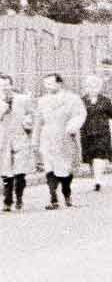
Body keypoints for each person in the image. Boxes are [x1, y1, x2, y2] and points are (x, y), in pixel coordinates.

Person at [35, 73, 86, 209]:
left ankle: (66, 193)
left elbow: (80, 114)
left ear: (59, 83)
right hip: (48, 137)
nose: (48, 87)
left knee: (65, 169)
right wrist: (35, 140)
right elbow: (38, 121)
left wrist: (73, 125)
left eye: (50, 84)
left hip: (65, 136)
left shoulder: (72, 99)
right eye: (46, 84)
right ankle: (53, 198)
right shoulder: (42, 101)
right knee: (49, 167)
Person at [0, 74, 36, 212]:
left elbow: (32, 114)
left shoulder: (22, 99)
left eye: (6, 85)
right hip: (3, 139)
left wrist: (28, 123)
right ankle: (7, 200)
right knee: (5, 171)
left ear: (11, 85)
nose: (4, 88)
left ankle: (19, 197)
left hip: (20, 137)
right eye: (1, 85)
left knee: (20, 172)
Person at [78, 72, 112, 191]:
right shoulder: (82, 100)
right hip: (87, 132)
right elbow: (77, 115)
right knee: (91, 157)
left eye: (95, 86)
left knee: (100, 155)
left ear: (99, 87)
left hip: (102, 132)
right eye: (89, 86)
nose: (92, 89)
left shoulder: (105, 100)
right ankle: (96, 177)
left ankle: (98, 180)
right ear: (86, 87)